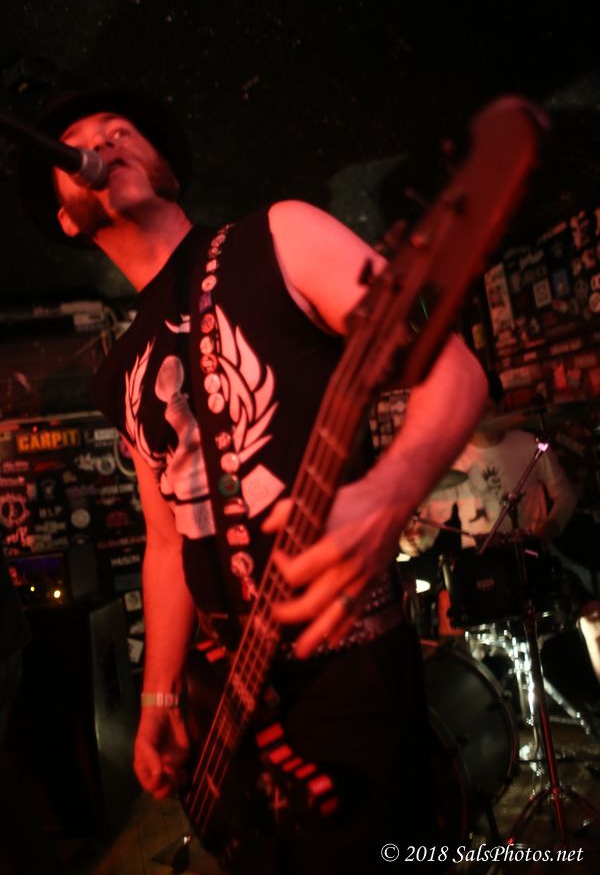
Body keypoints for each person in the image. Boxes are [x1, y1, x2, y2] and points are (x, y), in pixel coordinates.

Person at [18, 88, 487, 872]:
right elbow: (166, 542)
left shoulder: (280, 237)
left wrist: (386, 493)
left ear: (168, 172)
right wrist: (159, 696)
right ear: (68, 216)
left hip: (347, 669)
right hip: (225, 692)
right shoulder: (116, 374)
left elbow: (455, 370)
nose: (104, 140)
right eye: (81, 140)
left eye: (122, 130)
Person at [401, 373, 600, 686]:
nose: (479, 417)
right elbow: (430, 524)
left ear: (502, 405)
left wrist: (550, 526)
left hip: (532, 560)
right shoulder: (456, 460)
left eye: (487, 408)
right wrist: (414, 540)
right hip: (482, 574)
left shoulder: (529, 445)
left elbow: (565, 493)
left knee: (593, 617)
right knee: (450, 617)